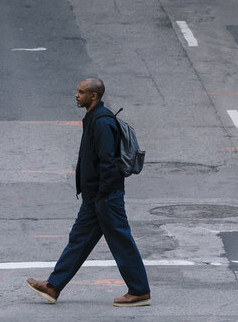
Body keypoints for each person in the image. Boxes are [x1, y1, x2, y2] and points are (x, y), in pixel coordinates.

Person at [27, 78, 151, 307]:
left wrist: (103, 195)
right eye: (77, 91)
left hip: (105, 197)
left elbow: (107, 162)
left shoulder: (102, 122)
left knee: (121, 241)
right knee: (79, 240)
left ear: (93, 96)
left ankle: (140, 291)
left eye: (81, 92)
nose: (76, 95)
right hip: (94, 197)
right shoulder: (93, 118)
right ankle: (53, 286)